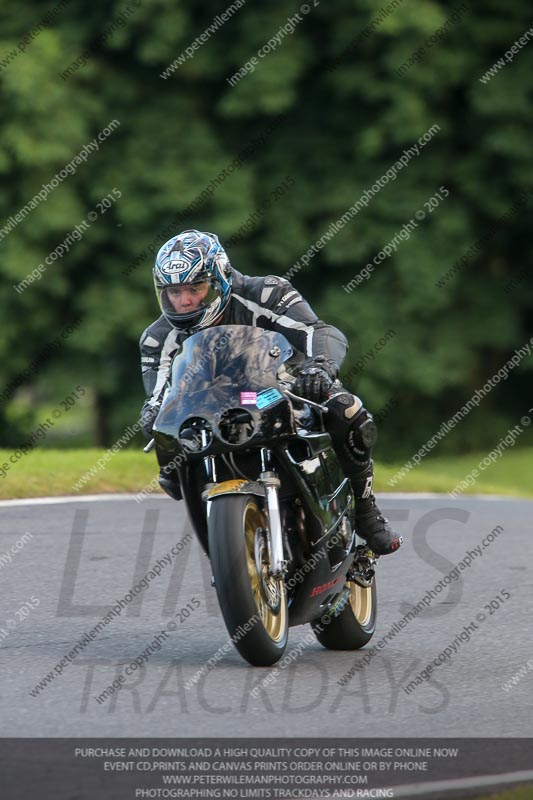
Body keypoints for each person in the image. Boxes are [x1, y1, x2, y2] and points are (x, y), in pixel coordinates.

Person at [140, 229, 401, 556]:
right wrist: (152, 413)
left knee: (347, 410)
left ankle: (366, 511)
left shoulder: (267, 293)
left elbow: (318, 331)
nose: (185, 300)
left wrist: (318, 367)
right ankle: (229, 550)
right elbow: (159, 395)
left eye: (195, 288)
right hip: (213, 411)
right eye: (174, 292)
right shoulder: (157, 338)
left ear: (219, 278)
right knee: (170, 463)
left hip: (283, 388)